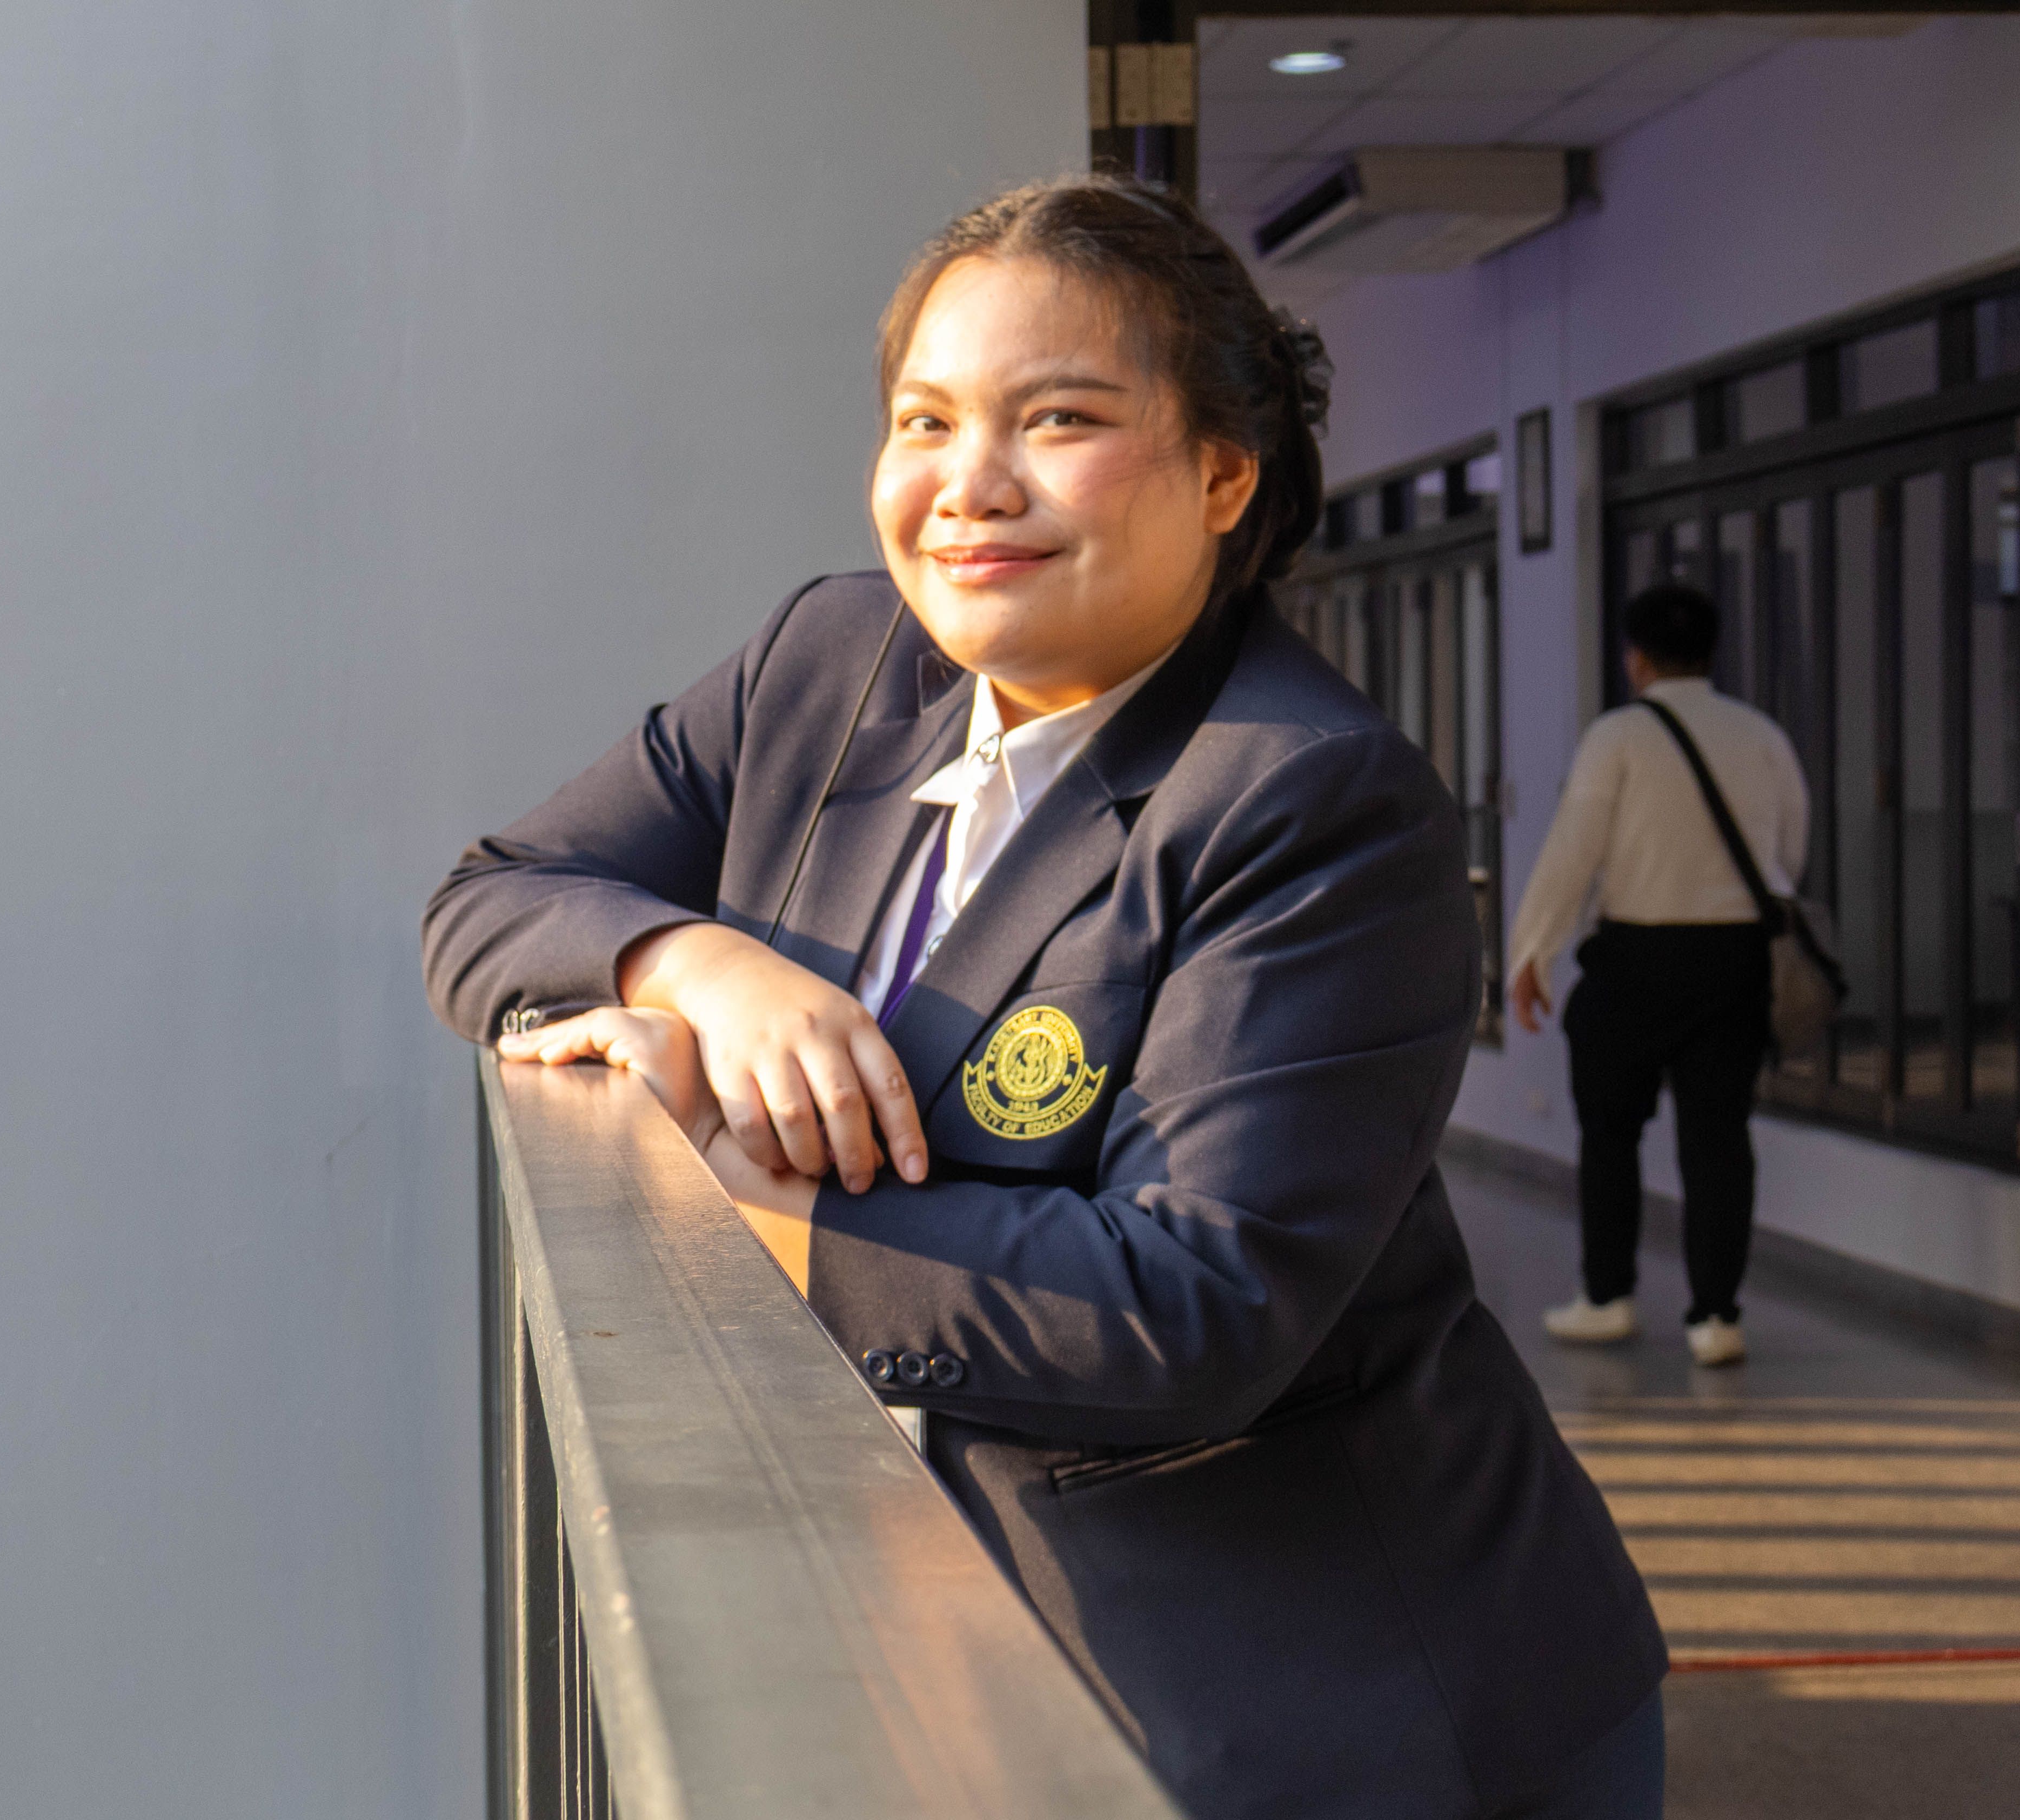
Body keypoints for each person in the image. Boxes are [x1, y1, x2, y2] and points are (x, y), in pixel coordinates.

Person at [424, 177, 1664, 1820]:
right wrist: (695, 966)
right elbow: (495, 897)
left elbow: (1194, 1305)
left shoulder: (1310, 799)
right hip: (960, 1634)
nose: (970, 484)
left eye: (1059, 419)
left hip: (1324, 1700)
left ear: (1224, 473)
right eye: (925, 421)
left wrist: (736, 1198)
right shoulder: (832, 663)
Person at [1507, 582, 1810, 1370]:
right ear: (1710, 652)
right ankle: (1717, 1320)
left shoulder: (1617, 737)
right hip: (1735, 960)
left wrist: (1533, 952)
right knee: (1720, 1140)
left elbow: (1574, 850)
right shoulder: (1762, 736)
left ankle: (1608, 1298)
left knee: (1610, 1134)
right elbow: (1789, 851)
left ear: (1635, 658)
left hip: (1633, 960)